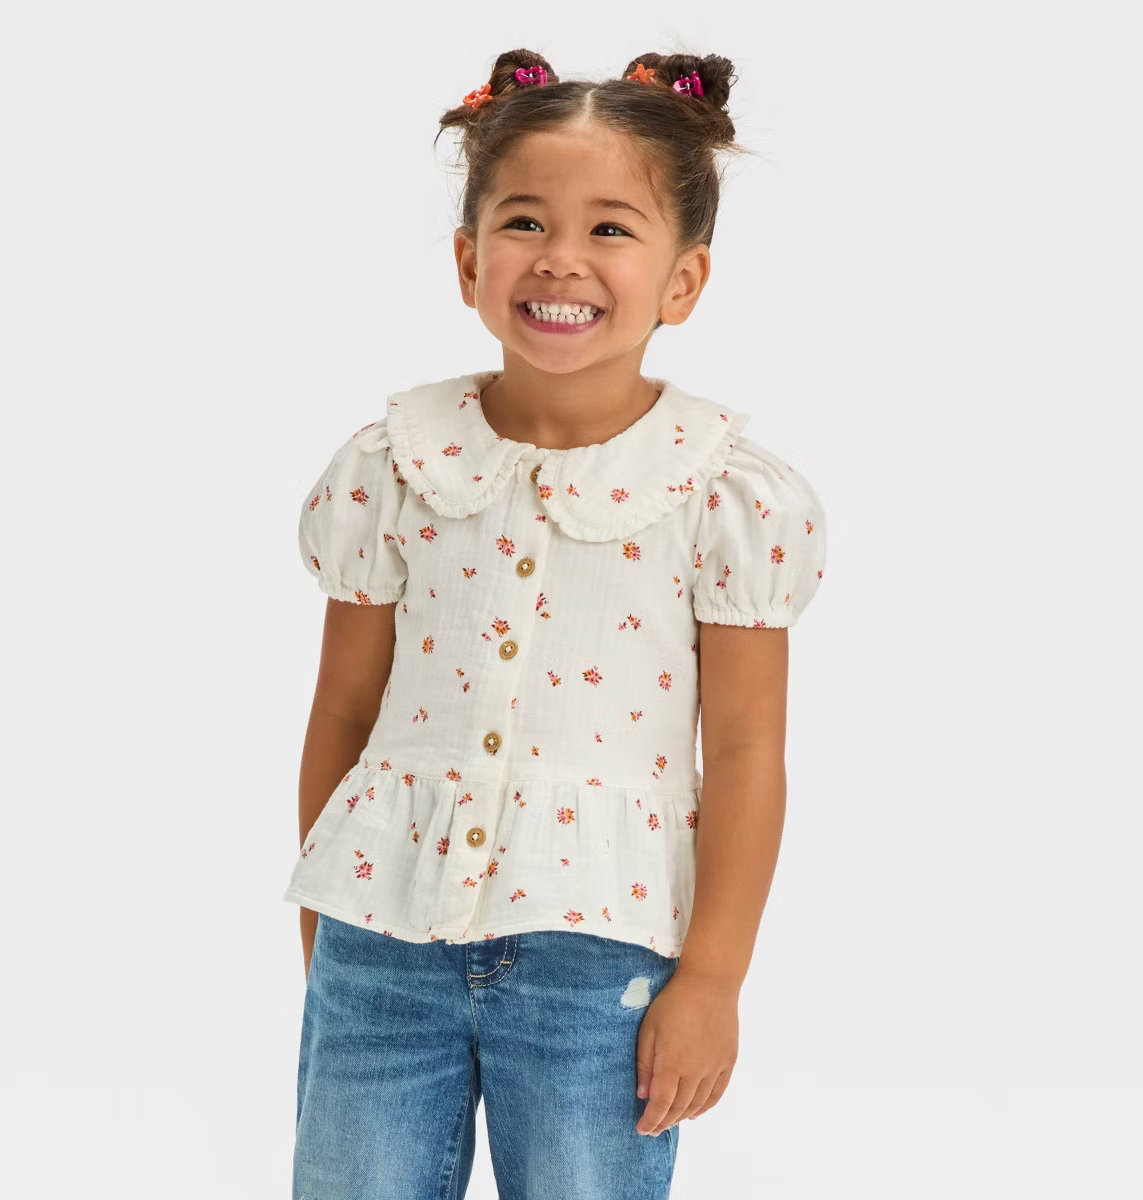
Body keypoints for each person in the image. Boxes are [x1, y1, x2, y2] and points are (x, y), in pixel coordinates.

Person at [284, 47, 828, 1200]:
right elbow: (343, 710)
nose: (560, 258)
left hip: (602, 951)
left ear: (683, 281)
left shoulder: (722, 495)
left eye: (611, 230)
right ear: (469, 260)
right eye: (524, 221)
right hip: (380, 936)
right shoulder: (394, 465)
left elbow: (744, 752)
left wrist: (713, 980)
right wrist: (324, 931)